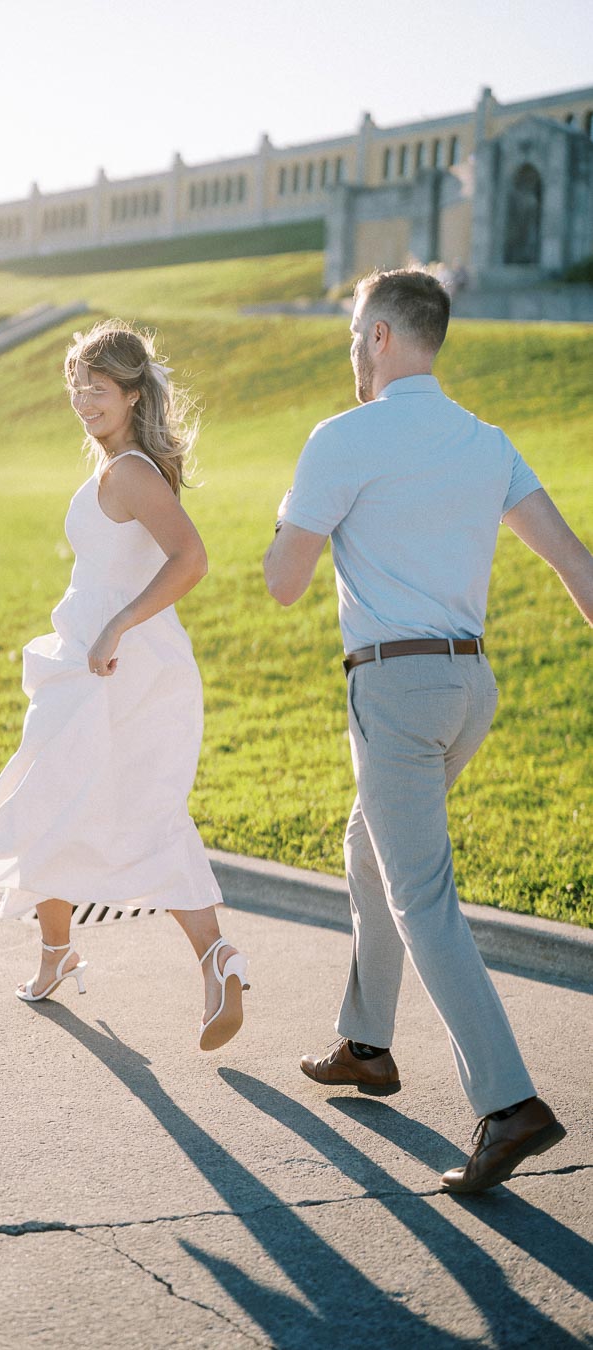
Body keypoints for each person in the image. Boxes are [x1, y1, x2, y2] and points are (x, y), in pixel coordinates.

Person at [264, 267, 593, 1194]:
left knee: (421, 894)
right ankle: (367, 1044)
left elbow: (283, 582)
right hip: (468, 688)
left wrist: (289, 523)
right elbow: (575, 563)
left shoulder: (342, 438)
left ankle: (508, 1102)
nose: (352, 359)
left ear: (377, 336)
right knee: (368, 843)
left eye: (352, 341)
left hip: (396, 691)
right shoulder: (486, 442)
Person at [0, 319, 250, 1051]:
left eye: (97, 388)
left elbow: (192, 559)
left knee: (79, 801)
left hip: (118, 666)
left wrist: (118, 625)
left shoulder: (129, 471)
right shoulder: (121, 468)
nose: (82, 399)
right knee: (77, 803)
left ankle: (184, 956)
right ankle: (177, 956)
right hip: (103, 662)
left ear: (131, 394)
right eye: (75, 386)